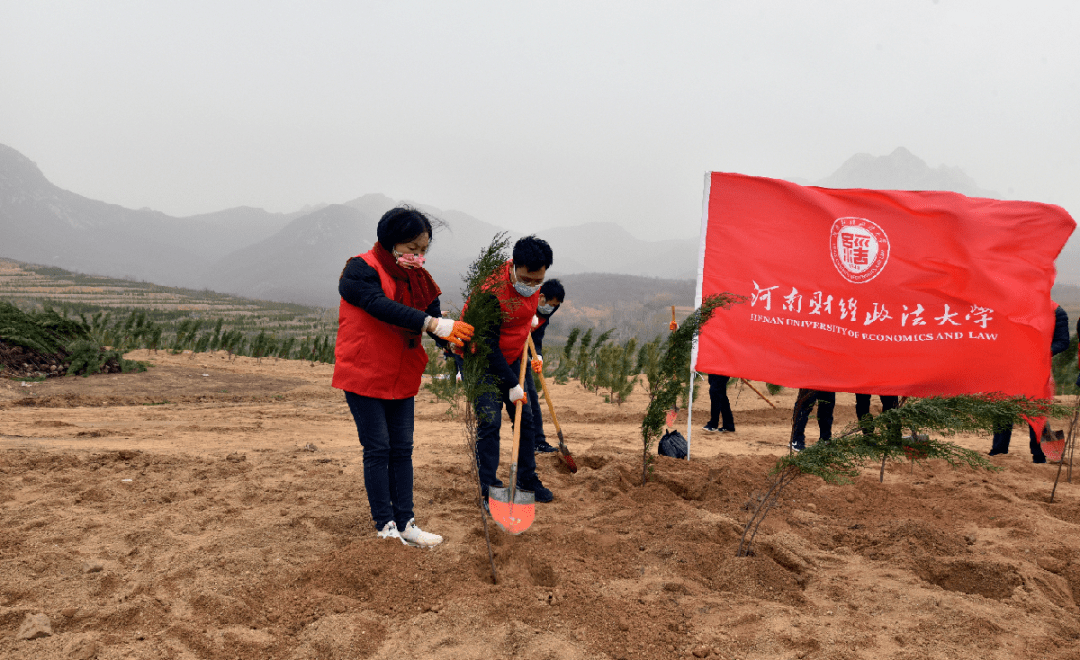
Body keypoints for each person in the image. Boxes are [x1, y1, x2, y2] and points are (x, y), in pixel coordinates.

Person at [333, 206, 474, 546]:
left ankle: (406, 522)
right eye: (412, 248)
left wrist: (460, 346)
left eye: (424, 249)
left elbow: (440, 326)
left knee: (403, 449)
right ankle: (385, 526)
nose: (418, 256)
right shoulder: (358, 270)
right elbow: (378, 305)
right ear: (391, 241)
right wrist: (430, 323)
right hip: (364, 373)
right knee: (378, 449)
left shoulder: (420, 281)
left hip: (402, 374)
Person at [471, 235, 555, 503]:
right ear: (514, 267)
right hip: (481, 358)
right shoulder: (490, 293)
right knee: (490, 422)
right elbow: (487, 345)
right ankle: (490, 489)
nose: (531, 286)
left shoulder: (533, 285)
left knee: (526, 420)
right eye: (526, 280)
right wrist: (511, 385)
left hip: (513, 355)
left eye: (537, 281)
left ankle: (527, 480)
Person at [989, 302, 1070, 462]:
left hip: (1038, 368)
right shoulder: (1009, 308)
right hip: (1009, 366)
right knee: (1003, 407)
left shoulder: (1057, 312)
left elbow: (1063, 341)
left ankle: (1041, 455)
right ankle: (998, 451)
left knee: (1037, 410)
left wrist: (1039, 353)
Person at [528, 279, 565, 453]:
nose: (551, 308)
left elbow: (537, 338)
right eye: (550, 304)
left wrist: (538, 356)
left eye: (555, 306)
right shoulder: (525, 301)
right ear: (541, 297)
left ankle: (538, 442)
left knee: (532, 398)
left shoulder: (546, 314)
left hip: (522, 355)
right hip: (503, 354)